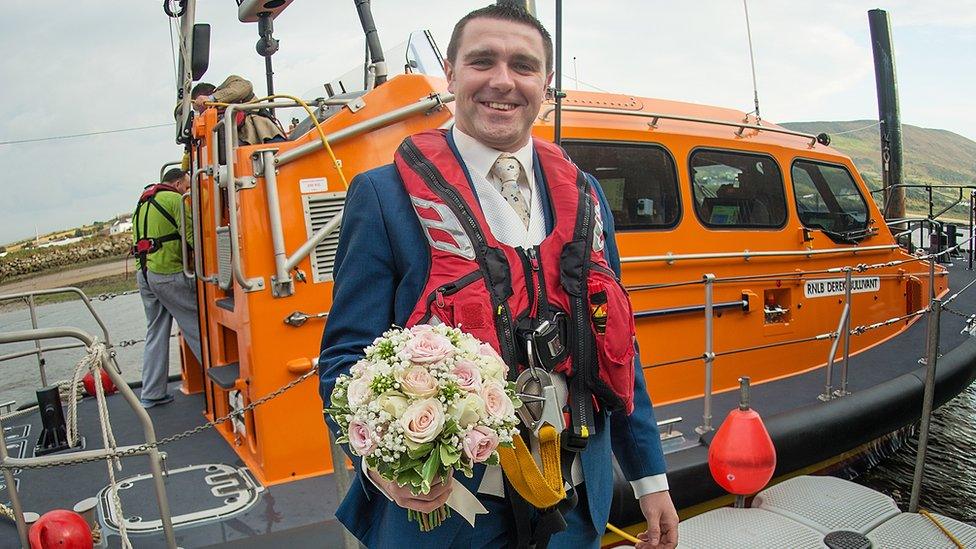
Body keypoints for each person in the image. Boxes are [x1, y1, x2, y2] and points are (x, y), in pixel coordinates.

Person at [319, 5, 677, 549]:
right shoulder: (381, 196)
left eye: (524, 66)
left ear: (546, 83)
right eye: (482, 61)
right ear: (453, 73)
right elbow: (345, 359)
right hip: (448, 515)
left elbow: (617, 344)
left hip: (576, 505)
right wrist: (383, 461)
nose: (503, 81)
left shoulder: (587, 196)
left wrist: (650, 479)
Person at [132, 168, 202, 408]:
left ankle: (151, 393)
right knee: (197, 324)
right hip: (167, 275)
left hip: (145, 274)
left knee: (156, 332)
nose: (187, 190)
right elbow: (193, 237)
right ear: (178, 183)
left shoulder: (143, 202)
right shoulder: (175, 199)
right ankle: (218, 389)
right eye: (186, 185)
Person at [181, 75, 285, 145]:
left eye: (200, 108)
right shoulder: (212, 121)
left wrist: (211, 99)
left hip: (265, 137)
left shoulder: (230, 84)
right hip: (238, 148)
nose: (201, 113)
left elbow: (245, 86)